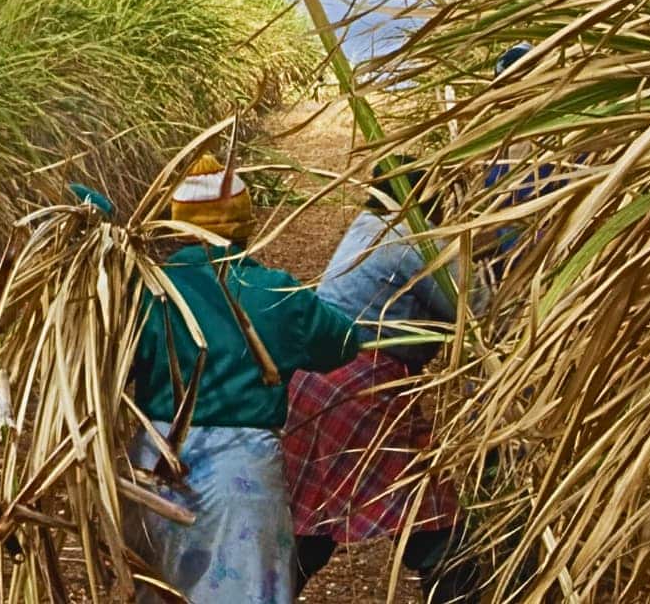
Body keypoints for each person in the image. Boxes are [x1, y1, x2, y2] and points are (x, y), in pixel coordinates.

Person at [126, 153, 361, 604]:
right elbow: (342, 343)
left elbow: (113, 364)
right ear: (244, 222)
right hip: (242, 475)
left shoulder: (149, 290)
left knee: (164, 590)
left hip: (156, 467)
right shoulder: (275, 291)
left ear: (178, 222)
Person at [284, 165, 483, 601]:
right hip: (361, 390)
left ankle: (263, 591)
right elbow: (478, 309)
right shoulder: (413, 241)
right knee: (429, 518)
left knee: (314, 516)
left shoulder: (366, 226)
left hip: (313, 383)